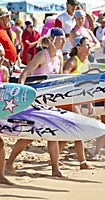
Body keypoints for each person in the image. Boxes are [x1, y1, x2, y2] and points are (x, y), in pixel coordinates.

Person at [5, 28, 66, 177]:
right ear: (51, 39)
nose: (63, 42)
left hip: (51, 101)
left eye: (64, 39)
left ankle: (55, 169)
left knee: (53, 134)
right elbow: (25, 74)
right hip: (37, 100)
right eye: (61, 39)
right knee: (29, 135)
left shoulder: (59, 56)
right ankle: (9, 163)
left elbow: (60, 79)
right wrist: (23, 96)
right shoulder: (42, 56)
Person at [60, 35, 94, 169]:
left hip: (79, 99)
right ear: (78, 47)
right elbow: (63, 77)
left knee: (69, 131)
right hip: (70, 99)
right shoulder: (72, 61)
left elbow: (88, 84)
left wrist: (89, 102)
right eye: (86, 45)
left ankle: (54, 157)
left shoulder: (87, 62)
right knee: (78, 128)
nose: (89, 47)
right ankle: (82, 162)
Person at [0, 43, 13, 185]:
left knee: (0, 144)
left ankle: (1, 175)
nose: (1, 58)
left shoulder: (3, 71)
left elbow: (8, 93)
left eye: (2, 56)